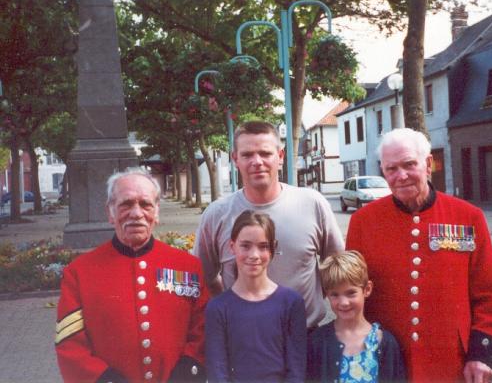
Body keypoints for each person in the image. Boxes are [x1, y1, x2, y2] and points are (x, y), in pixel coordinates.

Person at [346, 128, 492, 383]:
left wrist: (482, 354)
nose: (401, 176)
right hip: (386, 362)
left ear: (428, 163)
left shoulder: (467, 217)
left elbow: (489, 294)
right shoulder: (363, 222)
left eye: (409, 164)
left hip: (450, 363)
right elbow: (351, 293)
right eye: (391, 169)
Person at [55, 168, 208, 383]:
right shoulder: (79, 273)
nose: (136, 213)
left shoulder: (188, 266)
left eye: (145, 204)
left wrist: (186, 373)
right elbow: (70, 345)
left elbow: (202, 328)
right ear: (110, 213)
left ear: (156, 212)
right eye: (126, 204)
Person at [195, 120, 344, 330]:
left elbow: (336, 265)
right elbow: (205, 277)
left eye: (265, 153)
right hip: (244, 340)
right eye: (247, 155)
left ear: (280, 157)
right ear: (235, 159)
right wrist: (230, 307)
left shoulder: (312, 204)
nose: (257, 161)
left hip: (306, 339)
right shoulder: (216, 215)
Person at [205, 210, 307, 382]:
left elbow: (296, 369)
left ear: (273, 248)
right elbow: (217, 371)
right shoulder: (218, 308)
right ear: (232, 246)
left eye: (263, 246)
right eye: (245, 246)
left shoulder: (291, 303)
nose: (254, 255)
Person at [307, 251, 406, 383]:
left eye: (351, 293)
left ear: (367, 289)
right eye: (335, 294)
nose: (343, 302)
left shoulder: (385, 342)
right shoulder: (317, 341)